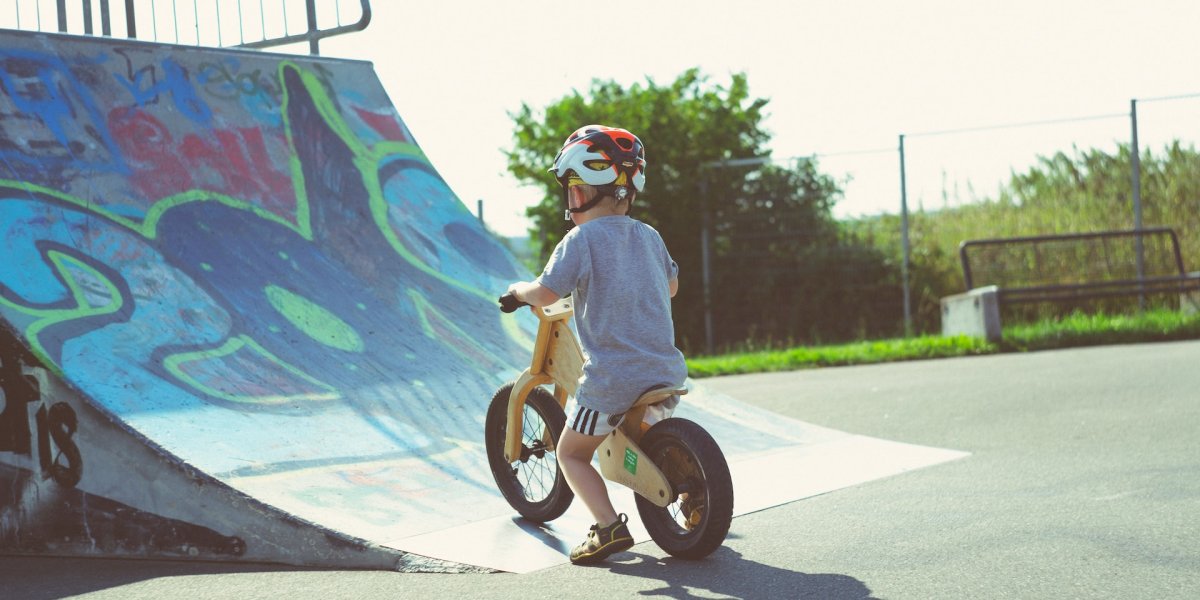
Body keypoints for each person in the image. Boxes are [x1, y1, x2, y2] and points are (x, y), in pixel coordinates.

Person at [504, 124, 688, 565]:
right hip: (666, 372)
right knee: (644, 438)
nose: (570, 202)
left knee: (570, 452)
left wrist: (518, 291)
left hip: (612, 380)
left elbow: (547, 294)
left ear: (586, 191)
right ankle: (694, 491)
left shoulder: (580, 240)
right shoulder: (649, 236)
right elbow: (673, 287)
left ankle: (607, 526)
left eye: (572, 190)